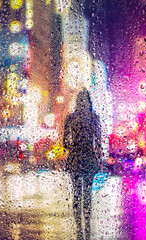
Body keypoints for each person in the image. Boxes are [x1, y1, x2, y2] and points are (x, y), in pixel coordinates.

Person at [63, 88, 102, 240]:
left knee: (77, 193)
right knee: (86, 193)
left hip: (75, 156)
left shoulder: (70, 119)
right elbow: (98, 142)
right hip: (88, 156)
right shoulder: (94, 118)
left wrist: (73, 142)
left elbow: (65, 143)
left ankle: (79, 227)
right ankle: (86, 225)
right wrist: (97, 156)